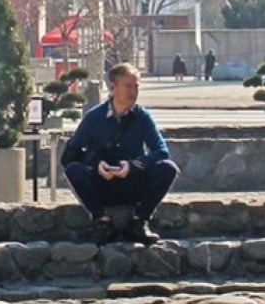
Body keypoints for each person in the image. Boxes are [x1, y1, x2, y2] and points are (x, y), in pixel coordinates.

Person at [61, 63, 179, 244]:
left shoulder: (142, 117)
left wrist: (132, 166)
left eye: (136, 86)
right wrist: (96, 165)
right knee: (74, 170)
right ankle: (101, 221)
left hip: (131, 180)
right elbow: (70, 155)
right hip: (103, 181)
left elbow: (161, 151)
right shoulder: (95, 117)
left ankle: (139, 221)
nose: (133, 92)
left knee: (168, 168)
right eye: (128, 86)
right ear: (112, 87)